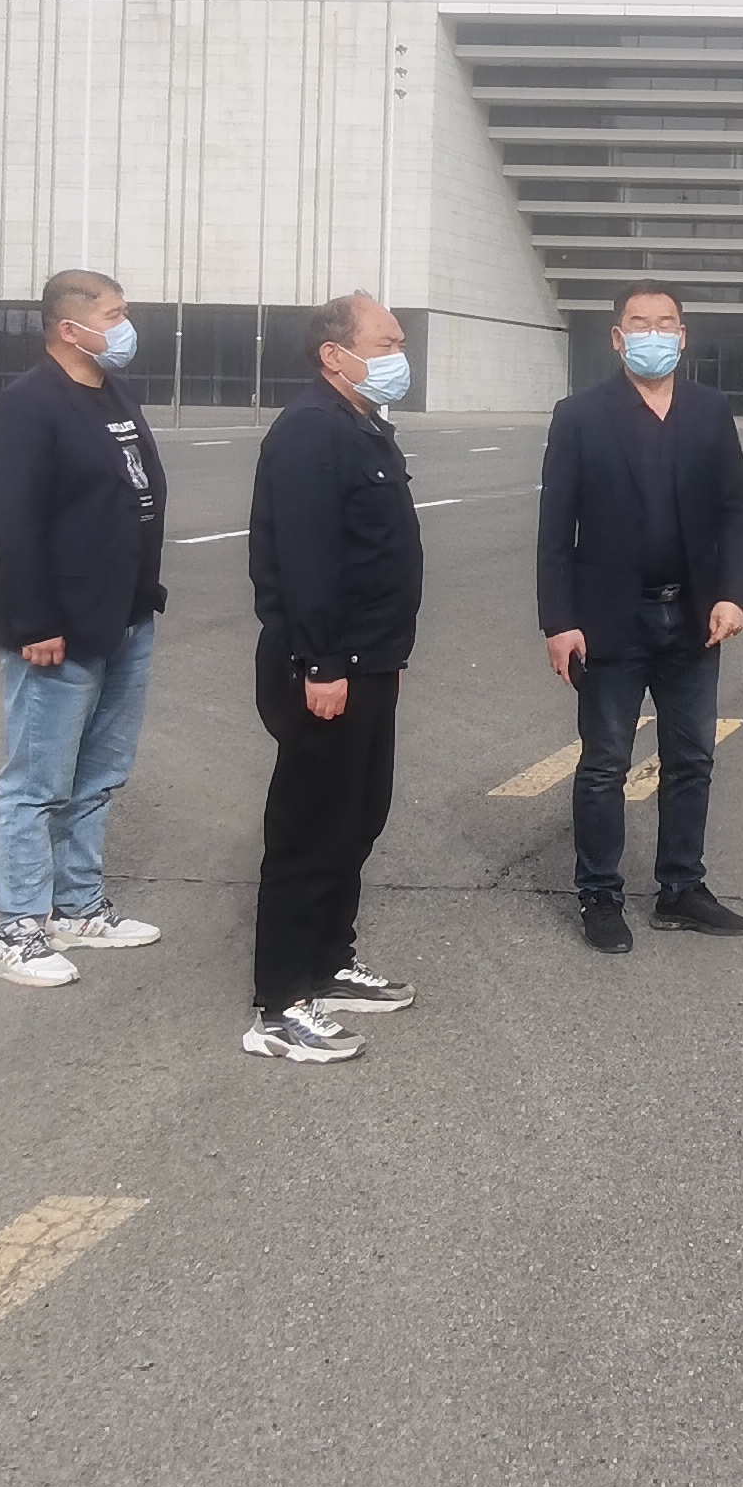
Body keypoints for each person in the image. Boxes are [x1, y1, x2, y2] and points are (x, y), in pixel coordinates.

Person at [535, 280, 743, 954]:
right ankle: (600, 895)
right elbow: (555, 531)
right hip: (610, 621)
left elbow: (735, 513)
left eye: (666, 323)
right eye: (640, 323)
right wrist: (559, 622)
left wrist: (732, 594)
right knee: (605, 763)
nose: (653, 334)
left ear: (683, 337)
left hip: (692, 618)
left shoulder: (710, 412)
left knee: (691, 759)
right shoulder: (580, 416)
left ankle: (681, 888)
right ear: (617, 336)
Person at [239, 291, 426, 1065]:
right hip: (326, 666)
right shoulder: (312, 430)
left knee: (355, 821)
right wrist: (322, 662)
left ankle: (328, 962)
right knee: (309, 831)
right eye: (385, 343)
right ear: (333, 353)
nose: (399, 355)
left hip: (368, 661)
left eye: (399, 342)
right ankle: (281, 1005)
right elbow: (308, 558)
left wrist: (388, 659)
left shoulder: (362, 423)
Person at [0, 269, 171, 988]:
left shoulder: (115, 394)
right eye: (114, 315)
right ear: (69, 327)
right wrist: (36, 619)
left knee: (99, 774)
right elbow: (14, 520)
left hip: (123, 615)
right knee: (36, 782)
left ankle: (76, 906)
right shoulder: (29, 405)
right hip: (56, 626)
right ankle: (16, 928)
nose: (126, 327)